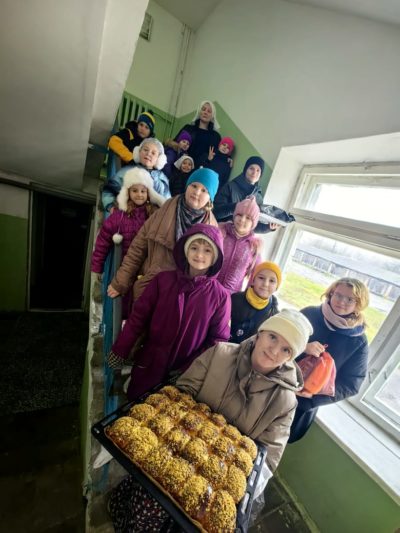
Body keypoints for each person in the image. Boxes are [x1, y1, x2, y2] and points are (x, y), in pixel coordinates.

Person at [108, 309, 312, 532]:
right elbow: (182, 391)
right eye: (273, 337)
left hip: (215, 484)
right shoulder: (220, 354)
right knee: (144, 507)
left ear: (291, 357)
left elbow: (268, 457)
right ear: (260, 333)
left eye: (286, 349)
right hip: (172, 448)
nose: (274, 350)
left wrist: (240, 493)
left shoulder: (284, 402)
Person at [108, 223, 231, 400]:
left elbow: (216, 341)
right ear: (186, 250)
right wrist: (121, 350)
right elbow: (138, 318)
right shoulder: (163, 280)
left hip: (184, 375)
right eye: (194, 248)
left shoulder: (220, 297)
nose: (199, 255)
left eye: (207, 250)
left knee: (168, 414)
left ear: (215, 257)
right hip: (149, 363)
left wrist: (188, 369)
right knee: (135, 407)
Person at [107, 167, 219, 302]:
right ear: (187, 186)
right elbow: (138, 247)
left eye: (204, 190)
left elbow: (207, 278)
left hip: (177, 301)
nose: (196, 192)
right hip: (149, 289)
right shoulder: (166, 208)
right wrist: (121, 281)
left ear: (210, 198)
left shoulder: (212, 229)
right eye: (194, 186)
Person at [288, 277, 370, 443]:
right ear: (331, 293)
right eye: (338, 295)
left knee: (277, 446)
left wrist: (313, 397)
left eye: (350, 299)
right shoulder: (309, 314)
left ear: (358, 304)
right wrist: (302, 347)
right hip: (277, 385)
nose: (341, 302)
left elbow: (351, 384)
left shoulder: (358, 341)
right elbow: (280, 340)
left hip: (302, 407)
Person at [91, 168, 165, 318]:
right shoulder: (119, 216)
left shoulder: (154, 216)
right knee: (121, 306)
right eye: (135, 190)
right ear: (128, 192)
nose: (139, 194)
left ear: (149, 193)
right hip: (123, 268)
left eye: (143, 191)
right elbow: (102, 242)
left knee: (141, 306)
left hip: (145, 269)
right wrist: (97, 267)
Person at [102, 138, 170, 214]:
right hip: (127, 216)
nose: (148, 154)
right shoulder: (126, 171)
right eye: (145, 150)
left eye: (153, 153)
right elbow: (109, 190)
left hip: (152, 219)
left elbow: (168, 203)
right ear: (138, 152)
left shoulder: (162, 178)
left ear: (160, 159)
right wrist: (111, 207)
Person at [217, 196, 262, 293]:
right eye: (240, 215)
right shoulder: (219, 233)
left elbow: (255, 277)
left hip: (232, 297)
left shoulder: (254, 247)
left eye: (248, 218)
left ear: (253, 223)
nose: (242, 220)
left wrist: (247, 297)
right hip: (208, 290)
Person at [230, 261, 281, 344]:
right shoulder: (234, 299)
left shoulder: (274, 315)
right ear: (253, 280)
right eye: (261, 278)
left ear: (276, 287)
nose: (265, 284)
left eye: (272, 281)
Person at [166, 100, 221, 167]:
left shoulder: (215, 137)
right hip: (181, 167)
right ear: (199, 112)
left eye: (209, 111)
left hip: (201, 170)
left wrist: (227, 159)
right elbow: (174, 144)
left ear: (212, 116)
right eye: (203, 109)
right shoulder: (188, 128)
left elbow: (217, 156)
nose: (205, 112)